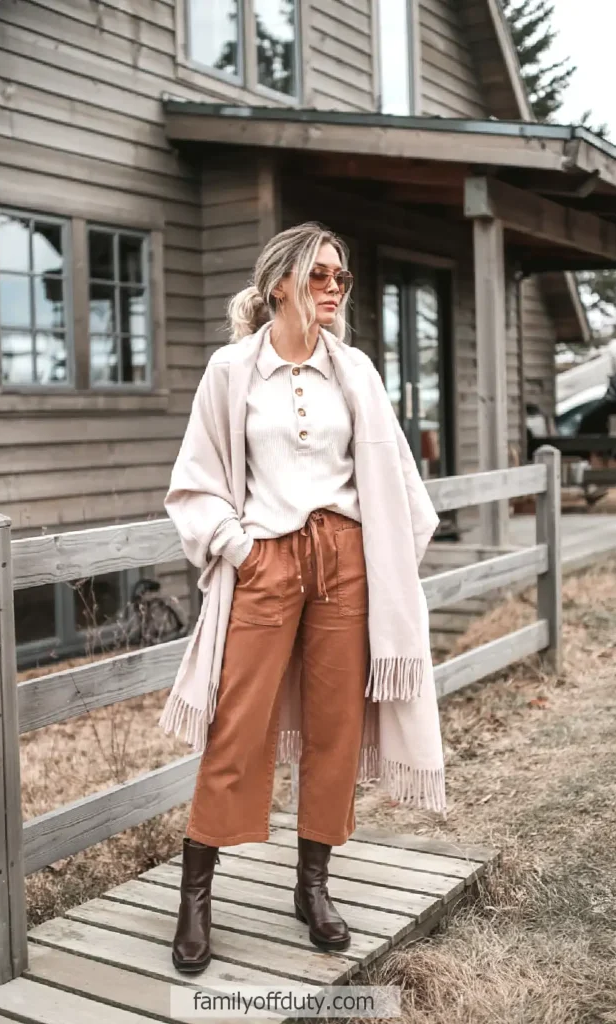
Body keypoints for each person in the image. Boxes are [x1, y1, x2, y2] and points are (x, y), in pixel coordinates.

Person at [160, 222, 446, 975]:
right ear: (279, 282)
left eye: (340, 278)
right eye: (318, 275)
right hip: (266, 561)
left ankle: (312, 887)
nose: (331, 288)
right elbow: (194, 481)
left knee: (335, 730)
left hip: (343, 559)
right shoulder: (231, 371)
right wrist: (240, 548)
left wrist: (368, 555)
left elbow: (395, 486)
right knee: (236, 724)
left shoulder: (354, 372)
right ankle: (196, 898)